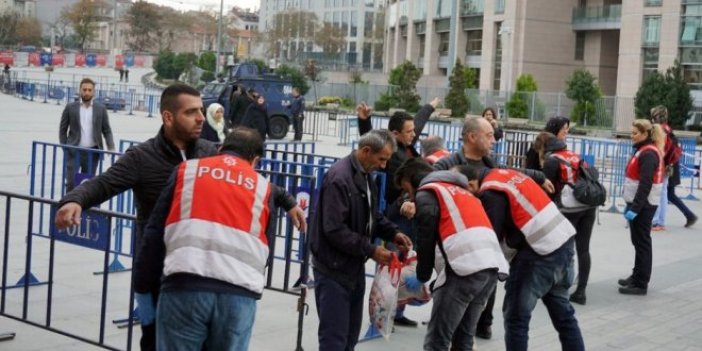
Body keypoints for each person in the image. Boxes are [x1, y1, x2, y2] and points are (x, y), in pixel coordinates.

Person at [54, 83, 220, 351]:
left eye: (201, 110)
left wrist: (288, 202)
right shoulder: (142, 157)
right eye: (191, 112)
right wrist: (74, 199)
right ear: (168, 117)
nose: (201, 117)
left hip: (200, 274)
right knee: (152, 341)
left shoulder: (211, 154)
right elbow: (103, 183)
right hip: (153, 275)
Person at [133, 127, 306, 350]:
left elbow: (154, 235)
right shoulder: (264, 188)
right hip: (239, 296)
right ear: (255, 161)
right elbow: (265, 250)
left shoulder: (186, 171)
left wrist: (143, 289)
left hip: (185, 286)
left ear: (220, 149)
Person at [434, 117, 554, 340]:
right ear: (472, 137)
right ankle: (451, 325)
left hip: (489, 235)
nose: (494, 141)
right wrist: (409, 202)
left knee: (489, 279)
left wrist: (539, 176)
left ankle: (483, 323)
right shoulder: (448, 164)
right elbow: (429, 183)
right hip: (459, 240)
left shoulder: (490, 164)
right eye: (489, 136)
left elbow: (511, 173)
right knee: (457, 287)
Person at [458, 165, 583, 351]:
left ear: (470, 184)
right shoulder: (506, 175)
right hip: (563, 242)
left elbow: (492, 236)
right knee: (564, 315)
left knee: (516, 318)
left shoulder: (490, 192)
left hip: (538, 254)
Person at [309, 129, 412, 351]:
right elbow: (334, 229)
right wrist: (371, 250)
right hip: (333, 269)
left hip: (352, 267)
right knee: (334, 339)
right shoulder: (340, 178)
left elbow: (372, 215)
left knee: (349, 337)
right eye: (381, 159)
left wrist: (393, 233)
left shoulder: (366, 176)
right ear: (366, 151)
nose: (384, 166)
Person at [394, 158, 509, 351]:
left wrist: (422, 275)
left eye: (407, 188)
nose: (409, 194)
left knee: (437, 341)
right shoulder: (460, 191)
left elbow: (426, 237)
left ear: (413, 179)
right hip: (491, 267)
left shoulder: (428, 192)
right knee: (463, 338)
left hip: (465, 270)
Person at [539, 132, 597, 305]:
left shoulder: (552, 160)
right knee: (583, 249)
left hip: (568, 208)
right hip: (588, 206)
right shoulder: (575, 155)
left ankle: (559, 286)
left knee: (563, 247)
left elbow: (548, 188)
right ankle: (581, 291)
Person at [619, 119, 665, 296]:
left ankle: (641, 283)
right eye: (631, 133)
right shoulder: (643, 150)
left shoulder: (648, 154)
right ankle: (636, 275)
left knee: (642, 243)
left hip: (643, 206)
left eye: (635, 133)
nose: (632, 136)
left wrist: (635, 208)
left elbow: (646, 183)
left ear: (645, 134)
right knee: (638, 242)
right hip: (640, 204)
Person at [59, 77, 115, 191]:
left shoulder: (101, 109)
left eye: (89, 90)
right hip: (74, 151)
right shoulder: (70, 107)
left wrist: (111, 146)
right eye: (84, 90)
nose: (86, 92)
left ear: (94, 92)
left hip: (92, 153)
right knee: (70, 182)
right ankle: (68, 205)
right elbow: (63, 129)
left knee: (88, 185)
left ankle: (84, 208)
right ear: (80, 90)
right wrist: (65, 147)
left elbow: (107, 130)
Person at [649, 105, 698, 230]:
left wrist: (660, 164)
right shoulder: (667, 128)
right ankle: (687, 216)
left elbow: (664, 149)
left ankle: (659, 221)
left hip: (665, 164)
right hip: (669, 164)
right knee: (667, 193)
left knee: (663, 193)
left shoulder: (661, 130)